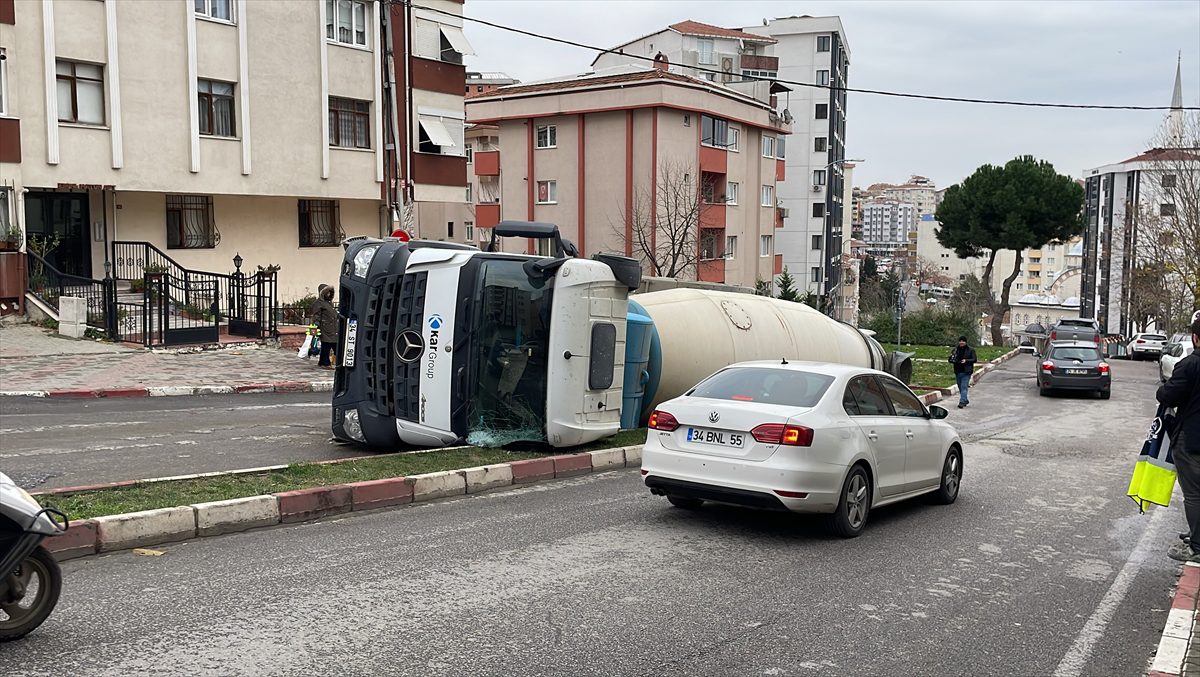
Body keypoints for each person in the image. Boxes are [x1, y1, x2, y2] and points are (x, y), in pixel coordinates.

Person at [1161, 317, 1200, 562]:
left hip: (1193, 438)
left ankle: (1196, 547)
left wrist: (1162, 390)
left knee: (1194, 493)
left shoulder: (1190, 364)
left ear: (1195, 338)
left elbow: (1169, 395)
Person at [310, 284, 340, 370]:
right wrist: (314, 329)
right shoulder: (318, 303)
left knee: (332, 345)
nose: (329, 294)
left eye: (330, 292)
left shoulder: (329, 303)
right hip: (325, 328)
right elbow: (316, 316)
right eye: (327, 292)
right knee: (327, 346)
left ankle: (324, 362)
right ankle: (325, 363)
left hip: (333, 329)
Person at [949, 336, 977, 409]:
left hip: (966, 371)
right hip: (958, 371)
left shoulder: (971, 350)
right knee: (960, 386)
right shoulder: (955, 350)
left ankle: (961, 402)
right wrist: (952, 360)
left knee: (964, 386)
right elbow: (950, 358)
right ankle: (965, 399)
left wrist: (966, 361)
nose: (961, 342)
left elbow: (974, 359)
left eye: (963, 341)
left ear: (966, 342)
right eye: (960, 341)